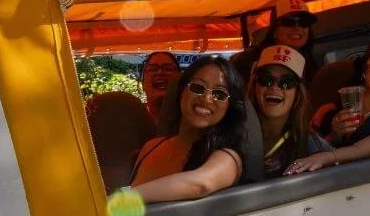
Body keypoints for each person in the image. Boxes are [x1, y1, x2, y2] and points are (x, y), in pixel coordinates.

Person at [287, 33, 370, 174]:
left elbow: (358, 151)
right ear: (365, 67)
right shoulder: (327, 110)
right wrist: (335, 135)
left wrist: (325, 157)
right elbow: (305, 150)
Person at [126, 56, 247, 202]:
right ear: (181, 91)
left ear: (229, 106)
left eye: (219, 94)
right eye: (197, 88)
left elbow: (201, 185)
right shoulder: (151, 147)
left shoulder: (228, 158)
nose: (206, 99)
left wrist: (117, 200)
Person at [249, 45, 333, 179]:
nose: (274, 87)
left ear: (298, 94)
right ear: (254, 87)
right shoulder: (236, 134)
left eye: (286, 82)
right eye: (266, 79)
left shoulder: (311, 143)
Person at [231, 0, 319, 84]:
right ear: (274, 31)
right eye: (288, 22)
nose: (297, 27)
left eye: (304, 22)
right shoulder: (248, 60)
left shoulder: (311, 62)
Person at [139, 51, 180, 125]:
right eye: (152, 69)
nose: (160, 72)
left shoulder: (192, 121)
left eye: (168, 69)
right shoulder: (130, 117)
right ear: (143, 83)